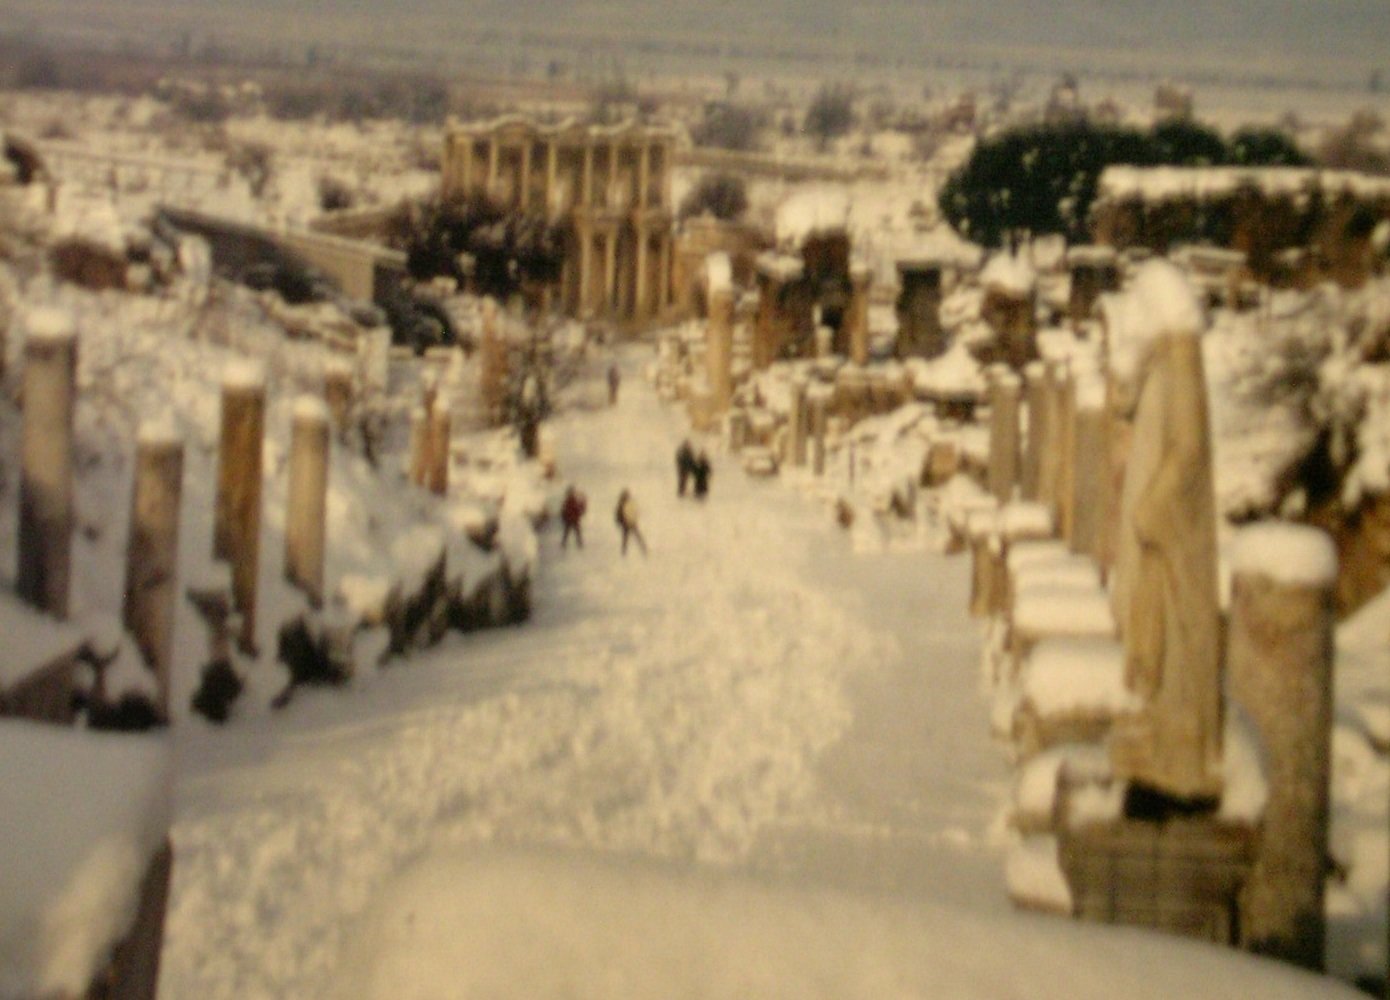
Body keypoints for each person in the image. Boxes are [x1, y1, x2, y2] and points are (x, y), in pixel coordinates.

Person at [614, 488, 647, 556]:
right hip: (629, 523)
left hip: (628, 523)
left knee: (629, 537)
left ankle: (625, 551)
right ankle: (643, 548)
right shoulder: (625, 504)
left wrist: (620, 521)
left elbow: (619, 514)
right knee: (635, 536)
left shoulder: (623, 504)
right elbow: (620, 515)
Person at [560, 484, 587, 550]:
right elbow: (579, 509)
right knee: (575, 532)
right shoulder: (571, 501)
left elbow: (563, 510)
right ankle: (579, 543)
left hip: (571, 519)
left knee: (569, 532)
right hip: (573, 519)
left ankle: (565, 543)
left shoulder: (568, 501)